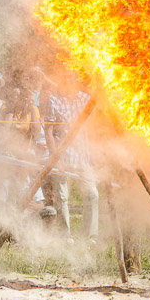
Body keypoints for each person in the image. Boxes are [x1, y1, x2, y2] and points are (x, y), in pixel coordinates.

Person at [42, 85, 99, 243]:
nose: (69, 79)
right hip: (63, 157)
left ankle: (90, 237)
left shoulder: (84, 98)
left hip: (83, 157)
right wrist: (56, 158)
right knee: (62, 197)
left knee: (92, 194)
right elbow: (49, 132)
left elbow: (94, 127)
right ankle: (65, 236)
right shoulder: (53, 100)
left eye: (72, 76)